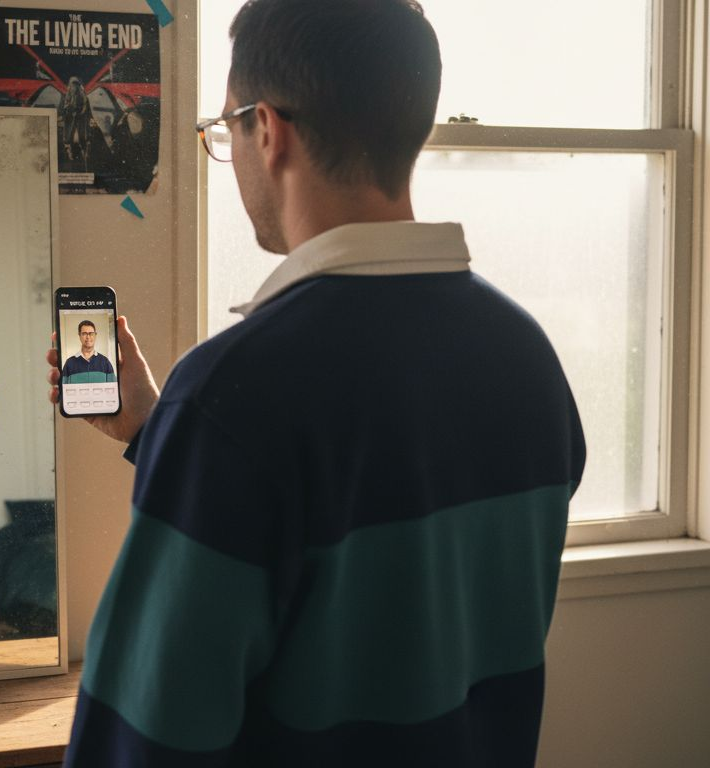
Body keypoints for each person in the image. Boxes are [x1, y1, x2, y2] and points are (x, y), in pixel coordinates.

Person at [56, 1, 586, 765]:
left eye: (222, 131)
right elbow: (393, 573)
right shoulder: (527, 357)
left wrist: (187, 432)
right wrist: (158, 433)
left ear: (266, 130)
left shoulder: (235, 394)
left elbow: (142, 738)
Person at [60, 320, 115, 384]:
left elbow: (113, 389)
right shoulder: (69, 363)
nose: (88, 337)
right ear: (79, 336)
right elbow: (63, 389)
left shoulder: (105, 362)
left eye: (91, 333)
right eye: (84, 334)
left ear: (95, 335)